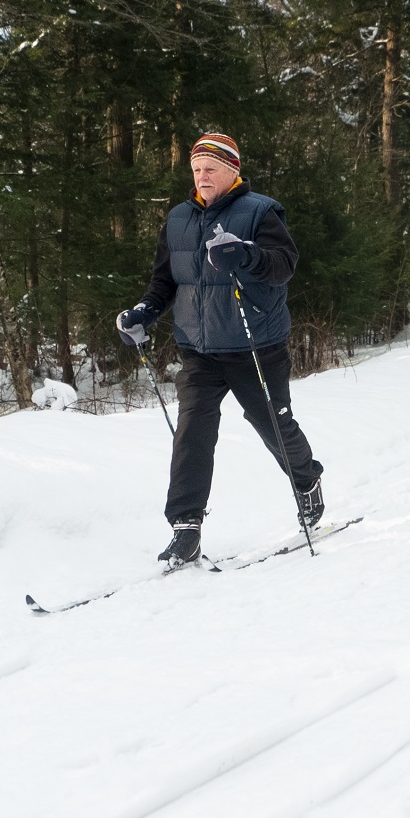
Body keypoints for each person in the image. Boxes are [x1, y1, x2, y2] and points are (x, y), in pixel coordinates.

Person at [116, 133, 325, 567]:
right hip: (199, 349)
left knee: (273, 424)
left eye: (210, 168)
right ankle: (185, 528)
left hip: (255, 345)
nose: (202, 176)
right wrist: (143, 312)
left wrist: (246, 255)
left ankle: (307, 482)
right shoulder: (177, 219)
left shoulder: (260, 212)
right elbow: (165, 282)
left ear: (232, 170)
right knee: (191, 434)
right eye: (196, 169)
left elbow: (283, 265)